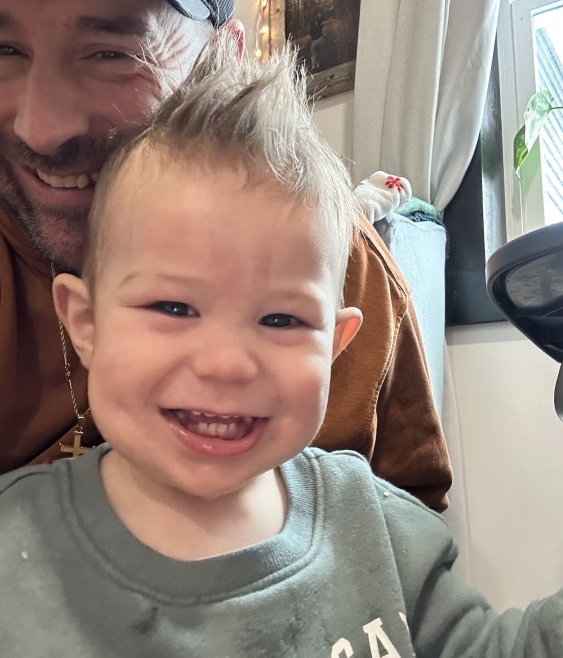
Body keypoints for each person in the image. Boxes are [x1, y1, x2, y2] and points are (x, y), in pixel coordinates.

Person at [1, 42, 561, 657]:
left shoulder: (380, 529)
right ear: (86, 323)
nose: (225, 364)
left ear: (334, 346)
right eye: (173, 308)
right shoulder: (17, 549)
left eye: (280, 319)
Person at [0, 0, 452, 511]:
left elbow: (407, 526)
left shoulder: (339, 267)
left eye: (111, 54)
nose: (42, 127)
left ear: (223, 57)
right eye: (4, 49)